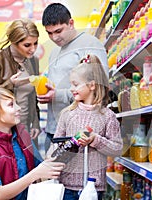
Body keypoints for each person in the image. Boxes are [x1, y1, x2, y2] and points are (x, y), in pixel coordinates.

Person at [49, 54, 123, 200]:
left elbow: (117, 149)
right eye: (71, 84)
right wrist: (69, 144)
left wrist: (96, 140)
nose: (71, 89)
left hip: (94, 188)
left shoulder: (107, 116)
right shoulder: (67, 114)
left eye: (75, 85)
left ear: (92, 85)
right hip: (67, 187)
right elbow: (54, 149)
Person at [0, 87, 65, 199]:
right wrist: (36, 173)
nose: (19, 108)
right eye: (11, 105)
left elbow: (38, 166)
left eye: (17, 103)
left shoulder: (23, 136)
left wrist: (55, 153)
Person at [39, 2, 109, 153]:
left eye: (58, 31)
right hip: (53, 129)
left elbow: (99, 89)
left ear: (71, 23)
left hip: (79, 131)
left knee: (77, 175)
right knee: (53, 175)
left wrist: (57, 95)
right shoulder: (54, 52)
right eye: (49, 33)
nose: (54, 37)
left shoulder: (91, 45)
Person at [0, 18, 41, 139]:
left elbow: (33, 95)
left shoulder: (33, 61)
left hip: (25, 128)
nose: (33, 49)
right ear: (13, 42)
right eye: (27, 45)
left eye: (35, 43)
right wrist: (9, 84)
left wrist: (36, 123)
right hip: (0, 129)